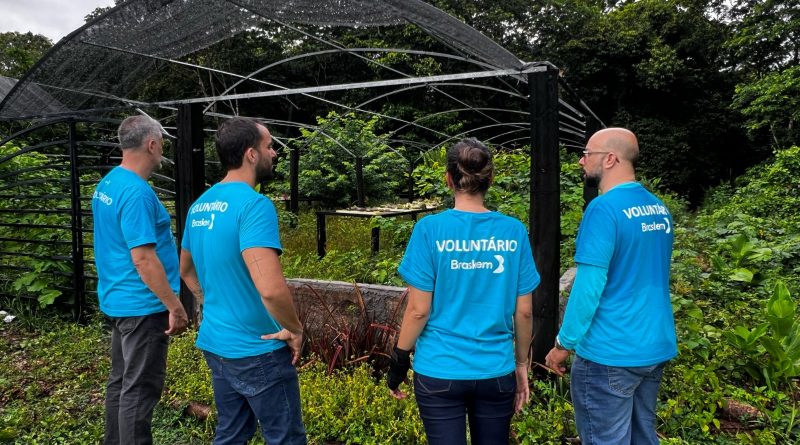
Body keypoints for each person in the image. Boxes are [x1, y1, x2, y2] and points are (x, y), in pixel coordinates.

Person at [386, 138, 540, 445]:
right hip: (495, 370)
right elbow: (524, 312)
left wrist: (399, 361)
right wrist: (521, 364)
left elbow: (418, 310)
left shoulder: (429, 230)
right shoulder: (513, 231)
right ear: (490, 179)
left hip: (440, 369)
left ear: (448, 179)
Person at [544, 128, 677, 445]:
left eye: (587, 154)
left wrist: (563, 344)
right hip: (653, 345)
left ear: (610, 159)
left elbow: (589, 286)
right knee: (642, 437)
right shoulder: (658, 208)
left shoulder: (603, 209)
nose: (581, 161)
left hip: (610, 351)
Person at [179, 117, 306, 445]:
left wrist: (210, 302)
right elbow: (270, 289)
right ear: (251, 154)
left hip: (216, 345)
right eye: (269, 146)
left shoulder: (199, 206)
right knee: (286, 438)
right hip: (258, 349)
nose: (274, 153)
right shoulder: (254, 205)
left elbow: (186, 270)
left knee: (232, 434)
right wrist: (294, 329)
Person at [92, 115, 189, 445]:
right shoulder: (136, 193)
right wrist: (174, 306)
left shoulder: (109, 183)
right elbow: (143, 259)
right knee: (139, 389)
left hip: (119, 299)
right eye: (162, 142)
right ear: (151, 144)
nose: (162, 149)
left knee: (121, 381)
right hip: (142, 305)